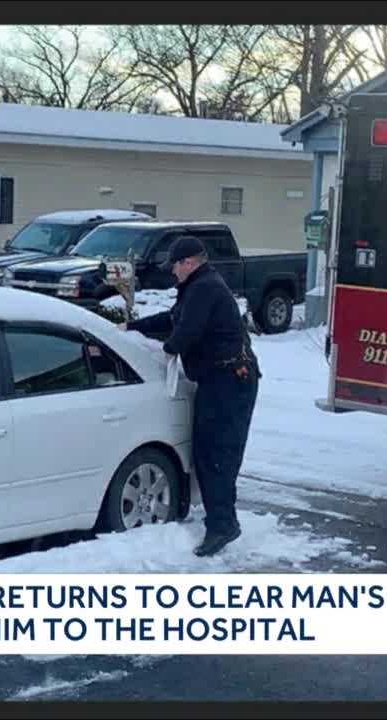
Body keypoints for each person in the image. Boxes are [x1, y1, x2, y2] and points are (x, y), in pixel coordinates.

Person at [122, 235, 261, 557]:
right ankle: (222, 521)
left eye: (175, 265)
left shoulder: (205, 288)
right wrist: (133, 329)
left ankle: (223, 526)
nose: (172, 271)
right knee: (210, 453)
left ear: (189, 262)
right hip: (221, 380)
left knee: (216, 455)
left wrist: (160, 350)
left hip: (229, 382)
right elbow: (174, 319)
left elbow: (184, 334)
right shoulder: (200, 286)